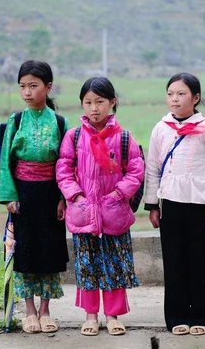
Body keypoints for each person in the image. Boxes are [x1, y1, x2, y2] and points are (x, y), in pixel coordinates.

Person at [56, 77, 144, 336]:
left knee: (115, 265)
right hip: (84, 214)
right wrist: (77, 197)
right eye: (88, 102)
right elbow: (63, 170)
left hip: (113, 213)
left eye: (100, 102)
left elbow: (136, 171)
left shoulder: (124, 138)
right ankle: (91, 316)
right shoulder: (73, 137)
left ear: (112, 103)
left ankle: (113, 316)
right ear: (82, 104)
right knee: (88, 267)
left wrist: (118, 194)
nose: (94, 108)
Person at [143, 73, 205, 336]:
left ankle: (202, 316)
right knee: (174, 262)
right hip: (170, 203)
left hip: (199, 205)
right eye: (170, 93)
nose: (175, 99)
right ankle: (176, 316)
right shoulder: (161, 128)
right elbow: (152, 169)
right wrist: (153, 205)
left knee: (200, 261)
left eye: (181, 94)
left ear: (196, 97)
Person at [0, 60, 69, 334]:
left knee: (49, 251)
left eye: (33, 86)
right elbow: (5, 162)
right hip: (23, 196)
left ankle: (46, 310)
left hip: (51, 195)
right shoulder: (16, 121)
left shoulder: (60, 123)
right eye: (22, 87)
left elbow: (65, 163)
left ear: (48, 87)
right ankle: (28, 311)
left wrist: (63, 197)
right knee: (25, 252)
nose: (27, 92)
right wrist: (9, 196)